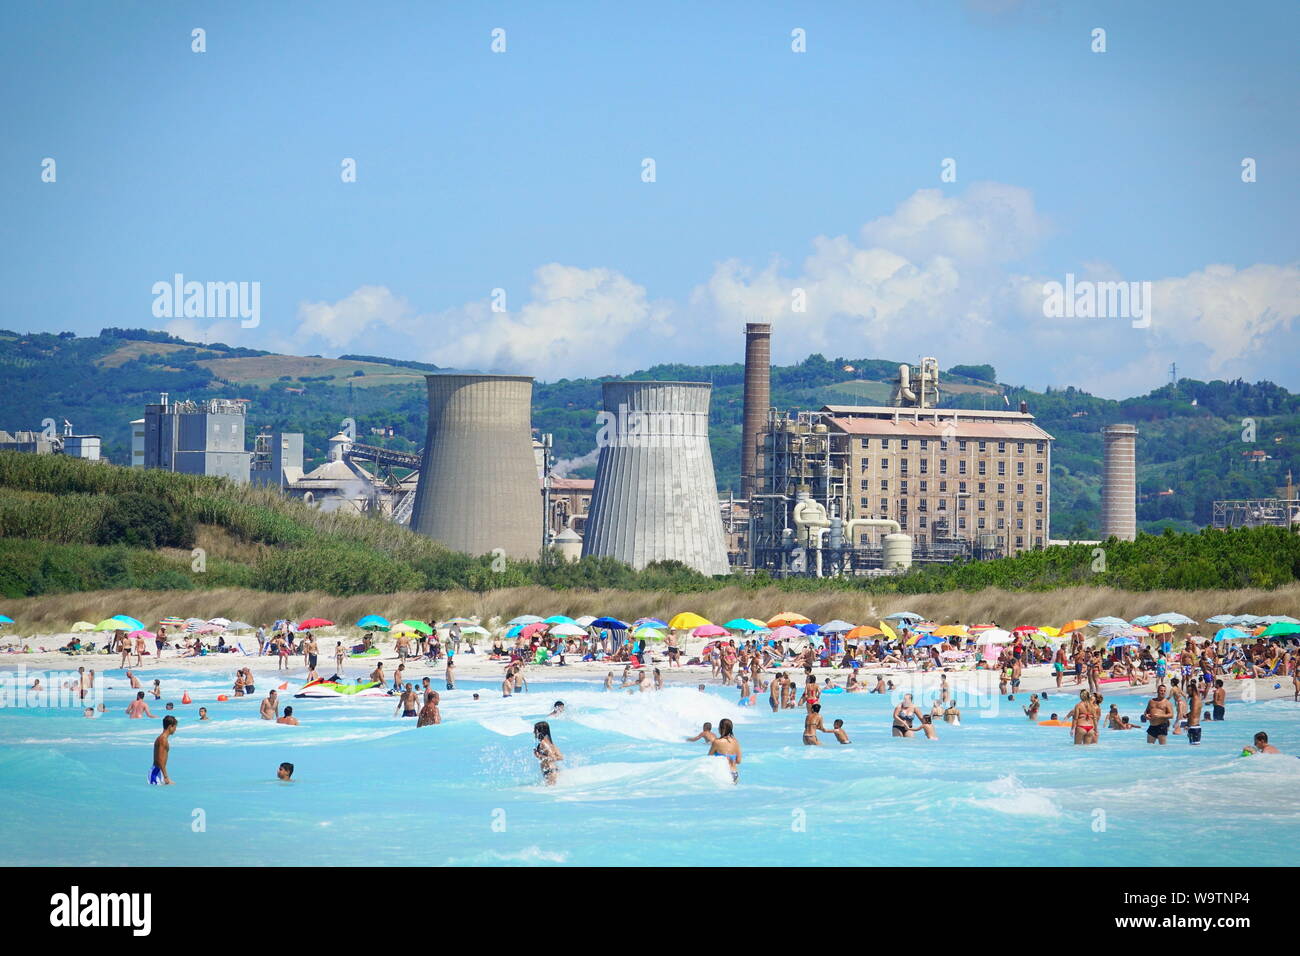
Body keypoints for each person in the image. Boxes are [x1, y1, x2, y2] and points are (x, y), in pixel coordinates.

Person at [707, 718, 741, 784]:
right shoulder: (736, 742)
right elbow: (738, 761)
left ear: (721, 729)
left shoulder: (717, 742)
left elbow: (709, 758)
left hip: (723, 774)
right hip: (734, 774)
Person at [533, 721, 563, 785]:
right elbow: (560, 757)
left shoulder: (543, 743)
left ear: (539, 732)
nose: (533, 732)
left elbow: (553, 758)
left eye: (535, 730)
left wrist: (539, 756)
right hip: (554, 770)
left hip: (549, 772)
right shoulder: (551, 743)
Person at [150, 715, 177, 785]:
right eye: (175, 727)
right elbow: (160, 760)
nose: (175, 729)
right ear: (170, 726)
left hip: (157, 772)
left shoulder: (161, 738)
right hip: (157, 773)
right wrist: (166, 777)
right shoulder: (163, 739)